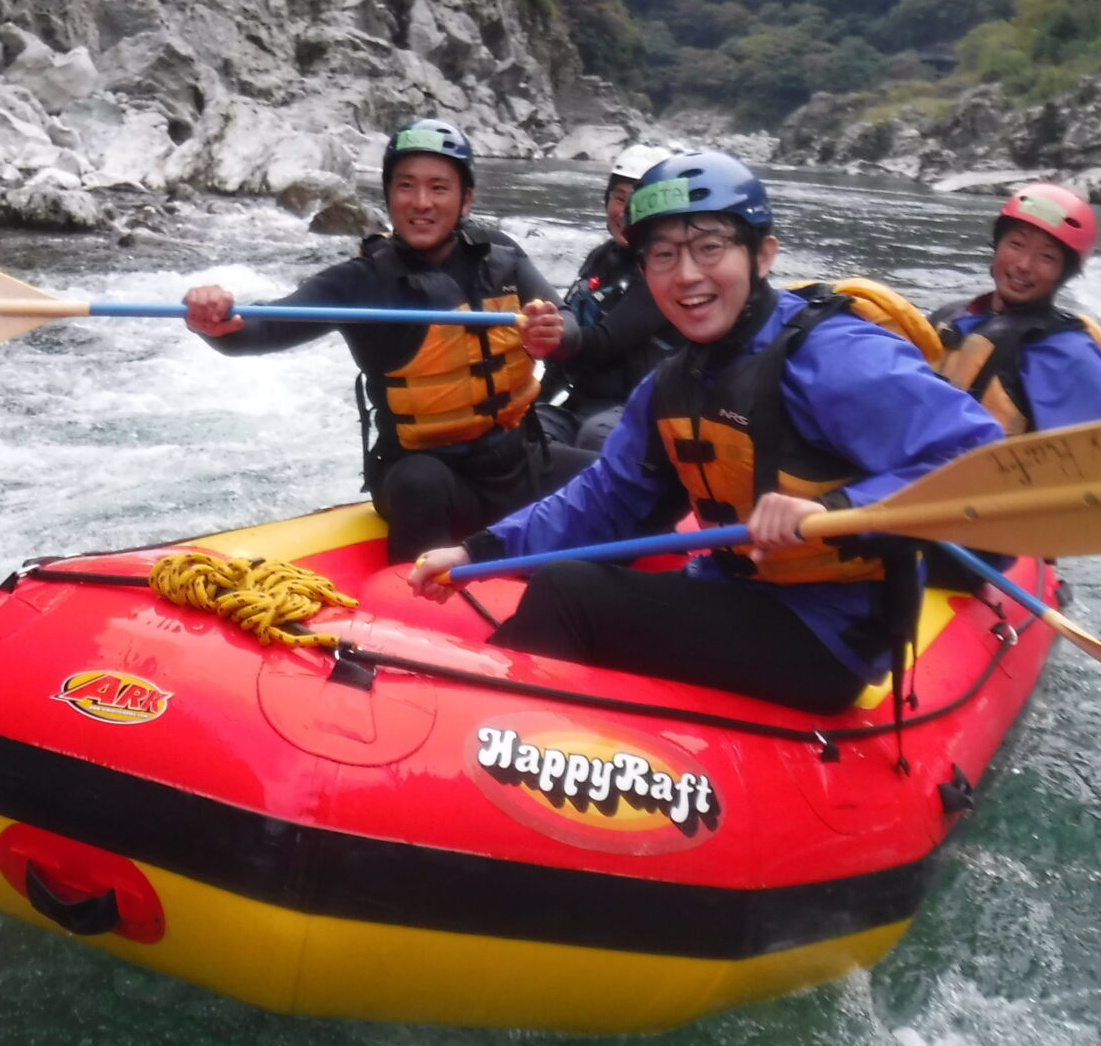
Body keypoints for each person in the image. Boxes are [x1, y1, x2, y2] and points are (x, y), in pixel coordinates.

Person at [408, 153, 1004, 715]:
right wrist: (476, 552)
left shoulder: (834, 355)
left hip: (827, 633)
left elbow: (978, 456)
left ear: (762, 255)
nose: (687, 274)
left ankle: (486, 739)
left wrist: (835, 506)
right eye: (663, 256)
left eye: (710, 247)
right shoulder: (673, 383)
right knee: (577, 579)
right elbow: (602, 499)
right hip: (738, 594)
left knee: (569, 592)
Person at [183, 119, 587, 563]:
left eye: (439, 188)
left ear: (465, 199)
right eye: (406, 187)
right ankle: (415, 600)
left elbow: (567, 326)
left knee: (619, 478)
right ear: (388, 195)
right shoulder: (361, 282)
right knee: (421, 483)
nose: (421, 203)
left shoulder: (501, 258)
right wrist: (216, 320)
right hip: (429, 476)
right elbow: (261, 329)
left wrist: (554, 333)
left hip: (519, 464)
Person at [929, 183, 1101, 435]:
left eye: (1047, 257)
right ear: (997, 246)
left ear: (1064, 274)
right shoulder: (952, 316)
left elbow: (1091, 461)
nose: (1024, 265)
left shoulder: (1069, 356)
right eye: (1016, 244)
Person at [536, 143, 684, 451]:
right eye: (619, 198)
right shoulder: (601, 258)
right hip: (583, 402)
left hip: (641, 411)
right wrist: (531, 400)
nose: (625, 212)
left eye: (637, 201)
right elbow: (566, 338)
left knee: (597, 435)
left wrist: (549, 335)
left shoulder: (667, 267)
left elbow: (602, 342)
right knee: (521, 428)